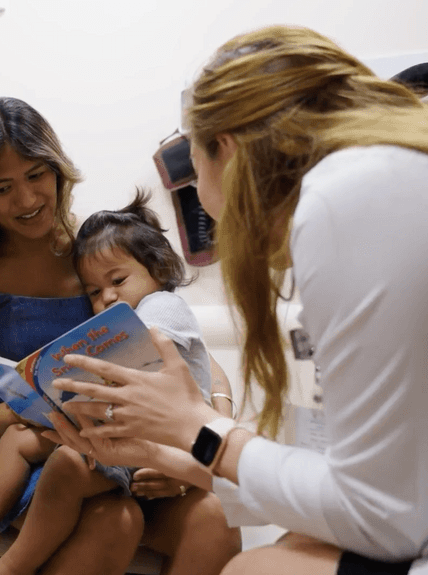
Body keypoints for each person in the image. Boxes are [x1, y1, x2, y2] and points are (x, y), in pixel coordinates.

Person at [47, 25, 428, 575]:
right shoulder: (378, 177)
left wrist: (198, 427)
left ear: (223, 147)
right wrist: (158, 449)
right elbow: (362, 487)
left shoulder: (342, 200)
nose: (203, 201)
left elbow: (381, 513)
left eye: (194, 167)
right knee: (281, 551)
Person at [0, 96, 239, 575]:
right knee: (114, 520)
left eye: (36, 175)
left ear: (57, 170)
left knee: (216, 518)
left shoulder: (95, 257)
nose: (27, 199)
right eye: (2, 188)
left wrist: (202, 446)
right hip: (17, 460)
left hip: (115, 441)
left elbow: (185, 356)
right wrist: (42, 406)